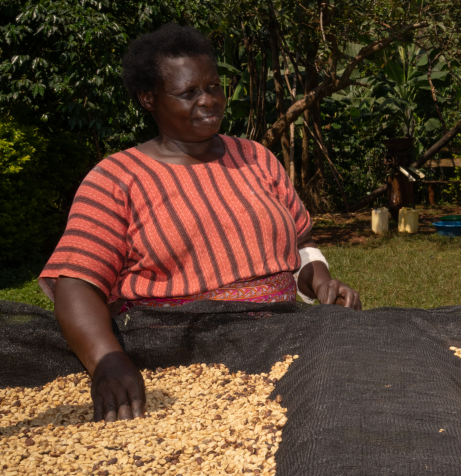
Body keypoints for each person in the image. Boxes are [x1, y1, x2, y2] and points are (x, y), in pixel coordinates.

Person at [40, 23, 362, 422]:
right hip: (177, 356)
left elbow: (300, 245)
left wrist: (319, 281)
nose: (208, 101)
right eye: (189, 92)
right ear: (148, 99)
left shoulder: (256, 158)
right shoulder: (115, 179)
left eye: (213, 87)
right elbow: (76, 281)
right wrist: (107, 359)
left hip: (282, 340)